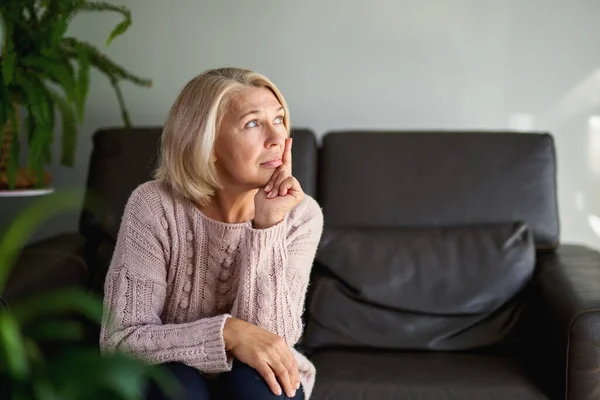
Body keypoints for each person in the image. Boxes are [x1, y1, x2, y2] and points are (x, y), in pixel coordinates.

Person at [99, 67, 324, 400]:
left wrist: (268, 226)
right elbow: (121, 340)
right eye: (253, 123)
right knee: (176, 387)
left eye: (279, 119)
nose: (277, 138)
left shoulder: (300, 216)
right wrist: (227, 333)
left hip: (254, 378)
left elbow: (273, 342)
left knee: (262, 387)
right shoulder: (154, 205)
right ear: (207, 143)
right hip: (170, 368)